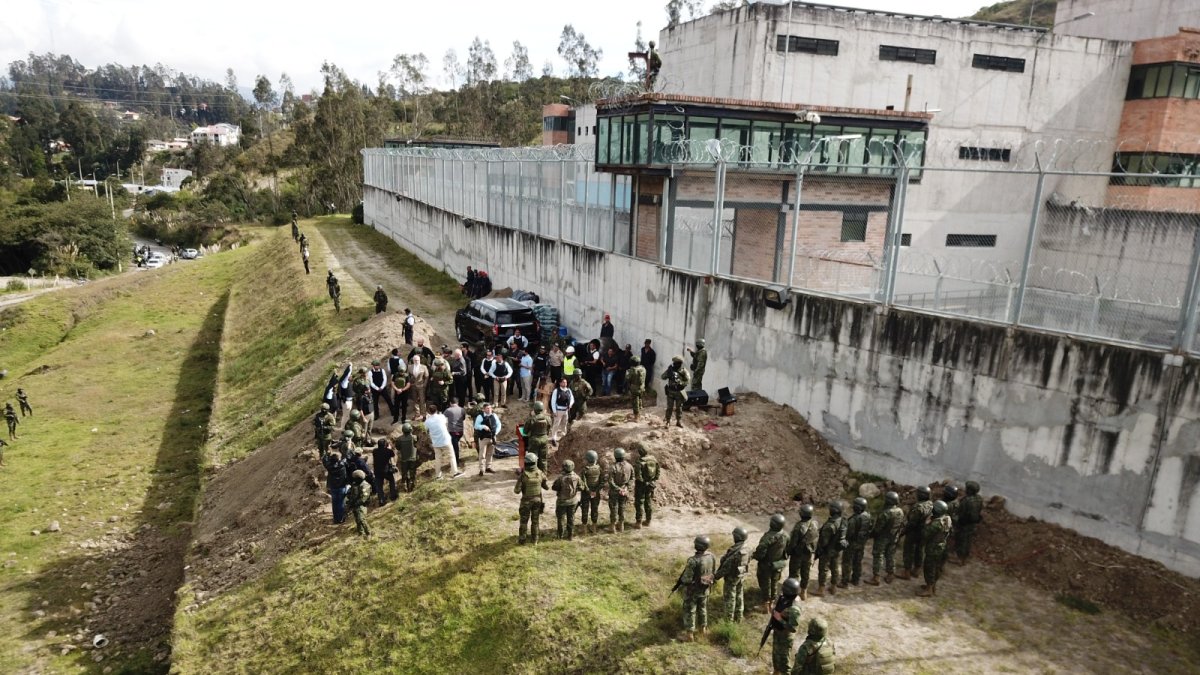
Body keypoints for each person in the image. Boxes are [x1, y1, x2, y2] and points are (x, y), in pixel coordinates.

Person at [678, 535, 717, 642]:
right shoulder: (712, 557)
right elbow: (713, 572)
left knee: (690, 610)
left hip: (693, 591)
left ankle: (689, 635)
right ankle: (703, 629)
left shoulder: (693, 561)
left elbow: (686, 579)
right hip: (705, 588)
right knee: (703, 608)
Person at [765, 577, 803, 675]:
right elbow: (778, 607)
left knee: (784, 659)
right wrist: (773, 609)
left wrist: (779, 619)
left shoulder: (794, 609)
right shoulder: (783, 597)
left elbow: (793, 628)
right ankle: (776, 671)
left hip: (785, 637)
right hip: (778, 631)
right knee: (775, 654)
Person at [715, 526, 752, 623]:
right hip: (741, 575)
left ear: (737, 537)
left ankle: (728, 621)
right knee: (739, 596)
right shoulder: (748, 548)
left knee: (730, 599)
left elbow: (726, 568)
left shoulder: (735, 552)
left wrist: (716, 577)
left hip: (732, 578)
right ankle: (739, 617)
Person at [867, 491, 904, 586]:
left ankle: (876, 578)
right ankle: (891, 574)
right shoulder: (900, 511)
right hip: (894, 537)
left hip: (883, 538)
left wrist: (870, 535)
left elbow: (878, 529)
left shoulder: (885, 514)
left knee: (878, 555)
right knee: (890, 555)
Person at [917, 500, 953, 597]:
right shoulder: (947, 519)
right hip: (942, 546)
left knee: (929, 568)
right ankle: (932, 586)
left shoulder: (935, 524)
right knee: (937, 567)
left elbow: (925, 534)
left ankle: (929, 589)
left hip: (933, 548)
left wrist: (926, 522)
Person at [753, 513, 789, 606]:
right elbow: (788, 549)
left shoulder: (767, 538)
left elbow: (760, 554)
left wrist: (754, 556)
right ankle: (772, 601)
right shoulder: (786, 535)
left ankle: (766, 604)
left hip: (766, 565)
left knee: (766, 583)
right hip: (778, 564)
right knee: (774, 582)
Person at [813, 501, 847, 597]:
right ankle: (833, 587)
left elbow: (824, 542)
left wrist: (819, 551)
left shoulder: (830, 525)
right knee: (835, 568)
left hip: (827, 551)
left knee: (823, 569)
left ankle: (821, 589)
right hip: (836, 550)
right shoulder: (843, 521)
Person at [899, 486, 933, 580]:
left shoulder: (917, 507)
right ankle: (917, 569)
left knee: (908, 550)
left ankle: (907, 572)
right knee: (919, 549)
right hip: (924, 530)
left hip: (914, 532)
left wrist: (902, 532)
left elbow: (912, 523)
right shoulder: (930, 504)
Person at [514, 452, 549, 545]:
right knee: (535, 521)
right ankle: (535, 540)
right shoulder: (540, 473)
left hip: (526, 502)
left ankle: (522, 540)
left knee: (524, 521)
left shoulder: (523, 475)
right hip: (537, 501)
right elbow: (546, 487)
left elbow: (516, 491)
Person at [786, 504, 819, 600]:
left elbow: (793, 543)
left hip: (798, 555)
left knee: (794, 574)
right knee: (806, 573)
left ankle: (793, 593)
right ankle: (804, 592)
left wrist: (788, 552)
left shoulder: (798, 527)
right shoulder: (815, 524)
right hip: (809, 554)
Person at [423, 404, 462, 479]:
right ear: (436, 410)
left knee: (438, 459)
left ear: (428, 411)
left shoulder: (427, 421)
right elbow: (446, 422)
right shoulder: (441, 417)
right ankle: (455, 472)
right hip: (445, 440)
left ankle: (438, 475)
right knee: (451, 456)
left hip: (436, 442)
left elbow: (425, 428)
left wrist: (427, 418)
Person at [841, 497, 873, 587]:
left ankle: (844, 582)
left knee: (847, 562)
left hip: (852, 544)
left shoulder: (854, 520)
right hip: (861, 543)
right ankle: (856, 580)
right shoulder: (868, 516)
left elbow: (848, 533)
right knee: (857, 561)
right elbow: (870, 528)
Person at [956, 481, 984, 565]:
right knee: (968, 540)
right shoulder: (979, 499)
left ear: (970, 490)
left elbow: (961, 513)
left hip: (964, 523)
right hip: (973, 523)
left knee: (962, 540)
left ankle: (960, 559)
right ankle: (965, 557)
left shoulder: (966, 500)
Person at [552, 459, 582, 540]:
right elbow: (582, 487)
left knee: (561, 519)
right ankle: (570, 536)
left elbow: (554, 487)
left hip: (562, 502)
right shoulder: (577, 477)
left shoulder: (560, 478)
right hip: (573, 502)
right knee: (571, 518)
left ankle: (560, 536)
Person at [633, 443, 660, 529]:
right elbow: (658, 473)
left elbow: (638, 476)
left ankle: (639, 522)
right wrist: (652, 481)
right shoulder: (654, 460)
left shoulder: (639, 462)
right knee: (648, 502)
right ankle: (648, 521)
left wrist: (643, 481)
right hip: (650, 484)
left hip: (641, 485)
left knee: (639, 502)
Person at [607, 447, 634, 533]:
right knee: (622, 507)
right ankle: (621, 526)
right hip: (624, 491)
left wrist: (618, 489)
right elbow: (632, 478)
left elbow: (610, 481)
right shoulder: (629, 466)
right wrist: (627, 488)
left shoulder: (613, 467)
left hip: (615, 491)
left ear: (615, 456)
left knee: (613, 508)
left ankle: (612, 527)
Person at [522, 401, 553, 473]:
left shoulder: (531, 419)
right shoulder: (548, 418)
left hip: (534, 441)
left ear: (534, 409)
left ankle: (533, 474)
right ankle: (544, 476)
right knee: (543, 459)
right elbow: (549, 429)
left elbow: (525, 431)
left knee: (533, 458)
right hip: (544, 439)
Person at [661, 355, 690, 428]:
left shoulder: (684, 371)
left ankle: (678, 421)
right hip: (670, 391)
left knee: (679, 407)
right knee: (669, 407)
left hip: (679, 392)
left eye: (676, 363)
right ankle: (668, 421)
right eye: (674, 363)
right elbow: (662, 377)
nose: (674, 364)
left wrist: (680, 383)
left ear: (680, 363)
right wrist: (668, 373)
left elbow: (687, 381)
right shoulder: (671, 370)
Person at [579, 450, 604, 534]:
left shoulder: (585, 470)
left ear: (587, 459)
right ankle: (594, 527)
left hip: (586, 493)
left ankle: (584, 528)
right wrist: (596, 491)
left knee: (585, 509)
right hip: (596, 493)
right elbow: (602, 482)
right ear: (596, 459)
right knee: (595, 509)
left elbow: (583, 482)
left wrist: (588, 490)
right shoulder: (599, 469)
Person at [473, 403, 501, 475]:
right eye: (487, 408)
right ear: (484, 409)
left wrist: (496, 432)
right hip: (483, 438)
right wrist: (483, 426)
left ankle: (488, 467)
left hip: (492, 438)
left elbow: (499, 425)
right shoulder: (480, 416)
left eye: (490, 408)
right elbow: (476, 426)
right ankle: (481, 469)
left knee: (490, 453)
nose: (489, 410)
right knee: (482, 454)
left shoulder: (494, 415)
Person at [323, 451, 350, 524]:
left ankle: (336, 519)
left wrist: (327, 454)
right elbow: (347, 457)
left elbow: (324, 460)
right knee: (341, 502)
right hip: (342, 486)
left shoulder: (329, 466)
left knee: (334, 503)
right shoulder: (342, 464)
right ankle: (341, 518)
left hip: (333, 487)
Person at [346, 469, 373, 537]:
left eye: (355, 478)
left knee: (361, 519)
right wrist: (349, 501)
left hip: (361, 505)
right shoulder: (355, 484)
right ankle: (361, 533)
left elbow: (364, 498)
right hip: (355, 504)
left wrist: (355, 503)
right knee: (357, 519)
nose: (354, 480)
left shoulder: (365, 485)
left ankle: (368, 533)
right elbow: (350, 492)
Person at [371, 437, 398, 505]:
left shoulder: (375, 451)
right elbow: (393, 455)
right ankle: (393, 495)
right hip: (386, 471)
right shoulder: (388, 451)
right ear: (385, 444)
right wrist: (389, 448)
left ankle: (381, 500)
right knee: (391, 481)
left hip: (377, 471)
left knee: (379, 486)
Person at [368, 360, 394, 427]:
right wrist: (377, 388)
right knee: (375, 403)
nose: (377, 366)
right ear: (373, 366)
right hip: (375, 389)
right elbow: (371, 382)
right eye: (376, 365)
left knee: (388, 400)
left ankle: (393, 412)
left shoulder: (382, 370)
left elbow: (384, 379)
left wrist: (382, 387)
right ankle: (376, 415)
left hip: (382, 388)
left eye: (378, 365)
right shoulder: (370, 372)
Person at [396, 423, 419, 493]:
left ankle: (405, 484)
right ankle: (412, 484)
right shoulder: (414, 437)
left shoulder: (399, 439)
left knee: (404, 472)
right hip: (413, 458)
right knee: (413, 471)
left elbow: (398, 447)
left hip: (404, 459)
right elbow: (416, 442)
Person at [549, 378, 573, 444]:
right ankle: (554, 438)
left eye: (566, 382)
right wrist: (554, 411)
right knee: (556, 424)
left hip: (566, 410)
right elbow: (553, 401)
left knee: (564, 423)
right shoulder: (556, 391)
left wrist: (570, 405)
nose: (565, 384)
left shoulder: (568, 390)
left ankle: (563, 436)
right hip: (558, 410)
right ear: (560, 383)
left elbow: (572, 399)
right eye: (563, 382)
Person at [444, 398, 466, 466]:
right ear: (458, 402)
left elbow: (442, 417)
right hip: (460, 431)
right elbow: (464, 418)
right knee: (455, 445)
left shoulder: (448, 410)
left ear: (450, 403)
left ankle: (456, 462)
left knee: (455, 447)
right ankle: (456, 460)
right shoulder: (462, 409)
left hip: (453, 431)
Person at [626, 355, 646, 421]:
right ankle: (640, 412)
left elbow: (627, 378)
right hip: (642, 387)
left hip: (635, 388)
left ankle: (636, 416)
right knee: (639, 398)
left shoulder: (632, 370)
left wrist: (627, 373)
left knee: (635, 401)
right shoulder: (643, 368)